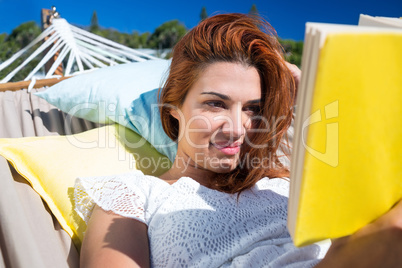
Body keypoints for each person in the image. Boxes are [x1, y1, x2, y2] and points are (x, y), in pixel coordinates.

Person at [75, 13, 402, 268]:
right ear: (173, 107)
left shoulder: (295, 183)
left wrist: (309, 87)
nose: (237, 128)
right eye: (215, 103)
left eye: (254, 109)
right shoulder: (134, 195)